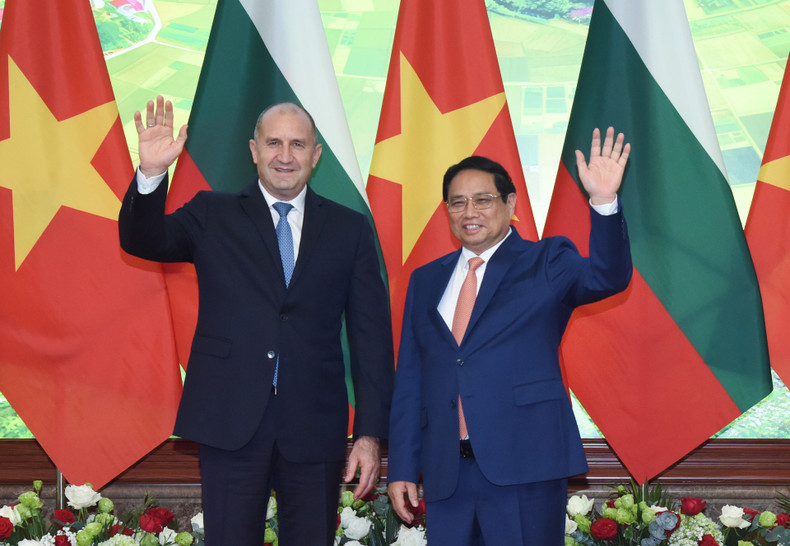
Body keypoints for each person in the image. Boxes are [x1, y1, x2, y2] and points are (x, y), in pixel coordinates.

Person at [119, 96, 394, 545]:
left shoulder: (350, 229)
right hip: (230, 420)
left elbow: (371, 339)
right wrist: (151, 174)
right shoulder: (212, 213)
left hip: (314, 425)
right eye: (273, 143)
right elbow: (143, 239)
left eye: (298, 145)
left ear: (316, 154)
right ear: (253, 150)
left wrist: (368, 434)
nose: (285, 156)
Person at [387, 127, 633, 545]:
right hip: (447, 473)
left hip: (525, 465)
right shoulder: (426, 280)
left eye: (483, 199)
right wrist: (403, 468)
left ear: (511, 204)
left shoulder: (547, 260)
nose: (470, 211)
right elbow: (411, 379)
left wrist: (603, 201)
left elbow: (608, 276)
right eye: (458, 202)